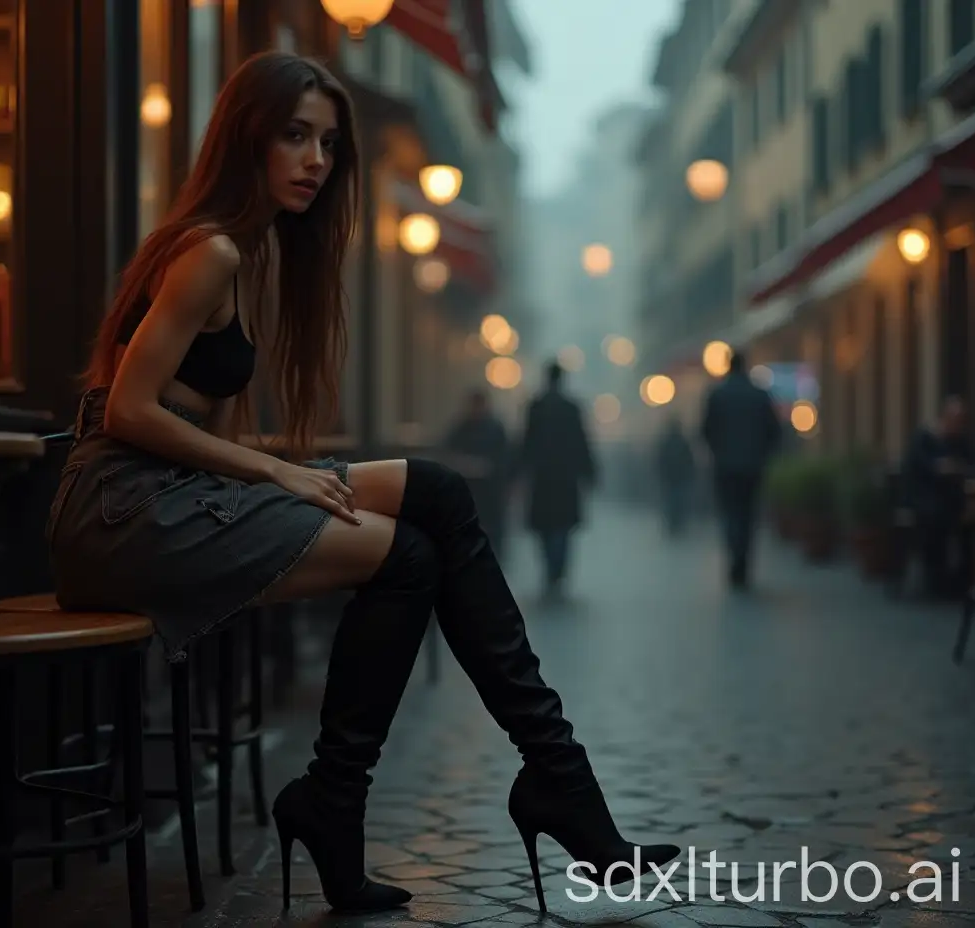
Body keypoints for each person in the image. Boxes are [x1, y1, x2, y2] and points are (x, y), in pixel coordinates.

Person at [45, 52, 678, 915]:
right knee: (426, 525)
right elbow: (127, 410)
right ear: (248, 139)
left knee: (427, 529)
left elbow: (193, 427)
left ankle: (354, 801)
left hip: (167, 497)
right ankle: (550, 788)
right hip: (120, 511)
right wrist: (278, 471)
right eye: (295, 136)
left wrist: (277, 472)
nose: (315, 160)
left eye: (330, 143)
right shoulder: (212, 251)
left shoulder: (246, 252)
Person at [700, 350, 782, 588]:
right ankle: (743, 561)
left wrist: (718, 451)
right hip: (753, 466)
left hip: (725, 467)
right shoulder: (759, 395)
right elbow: (774, 431)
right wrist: (763, 454)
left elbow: (705, 430)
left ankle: (735, 555)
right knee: (748, 515)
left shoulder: (717, 395)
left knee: (730, 514)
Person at [517, 361, 598, 598]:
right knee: (562, 527)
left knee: (544, 527)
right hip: (566, 477)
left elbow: (526, 442)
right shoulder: (571, 407)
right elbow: (582, 441)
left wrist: (520, 471)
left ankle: (550, 570)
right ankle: (558, 570)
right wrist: (589, 472)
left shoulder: (536, 407)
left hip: (542, 478)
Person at [899, 396, 975, 596]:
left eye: (961, 421)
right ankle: (936, 580)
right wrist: (940, 468)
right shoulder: (923, 438)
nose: (957, 425)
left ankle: (961, 581)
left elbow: (972, 465)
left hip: (953, 501)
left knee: (971, 523)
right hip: (924, 501)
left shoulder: (960, 441)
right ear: (944, 417)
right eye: (954, 419)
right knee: (935, 520)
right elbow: (917, 469)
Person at [440, 390, 513, 559]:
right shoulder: (460, 428)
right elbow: (447, 453)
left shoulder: (495, 429)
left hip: (491, 489)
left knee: (494, 527)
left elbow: (505, 458)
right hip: (467, 488)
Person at [654, 414, 695, 535]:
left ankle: (673, 522)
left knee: (671, 500)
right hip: (679, 477)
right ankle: (677, 522)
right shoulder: (683, 442)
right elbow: (689, 460)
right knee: (679, 500)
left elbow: (660, 459)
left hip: (670, 477)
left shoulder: (666, 442)